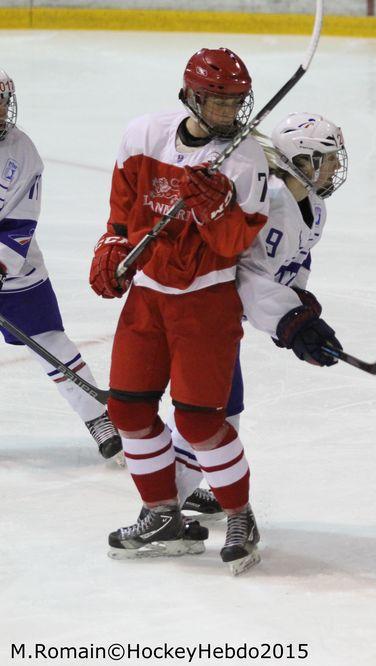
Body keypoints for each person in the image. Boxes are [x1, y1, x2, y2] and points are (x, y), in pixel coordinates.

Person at [89, 48, 270, 574]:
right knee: (127, 410)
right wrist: (111, 247)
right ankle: (162, 513)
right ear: (190, 96)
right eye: (216, 102)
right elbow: (122, 210)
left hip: (207, 302)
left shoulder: (246, 159)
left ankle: (240, 515)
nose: (227, 113)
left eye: (236, 103)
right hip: (147, 297)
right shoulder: (144, 134)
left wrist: (216, 211)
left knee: (198, 422)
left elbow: (237, 242)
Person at [169, 112, 347, 527]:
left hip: (224, 322)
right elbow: (245, 278)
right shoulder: (274, 203)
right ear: (304, 161)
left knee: (219, 414)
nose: (338, 166)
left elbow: (291, 270)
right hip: (202, 313)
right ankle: (162, 506)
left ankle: (167, 497)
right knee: (213, 415)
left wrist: (302, 314)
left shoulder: (314, 208)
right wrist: (291, 322)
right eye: (330, 157)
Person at [0, 69, 122, 461]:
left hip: (15, 272)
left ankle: (98, 416)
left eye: (1, 102)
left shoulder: (21, 153)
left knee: (50, 340)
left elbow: (19, 223)